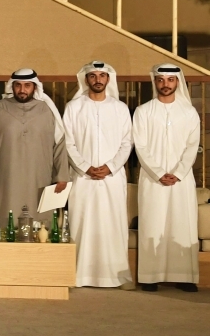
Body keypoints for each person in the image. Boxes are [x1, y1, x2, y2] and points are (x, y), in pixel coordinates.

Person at [63, 61, 134, 289]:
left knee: (113, 225)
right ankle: (79, 275)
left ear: (108, 79)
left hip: (112, 178)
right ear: (86, 79)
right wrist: (85, 166)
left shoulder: (120, 108)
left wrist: (111, 166)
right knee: (82, 224)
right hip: (83, 178)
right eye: (93, 76)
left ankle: (117, 276)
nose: (97, 80)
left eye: (102, 76)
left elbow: (127, 142)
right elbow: (68, 142)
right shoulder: (73, 108)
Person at [132, 64, 200, 292]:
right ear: (155, 82)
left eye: (170, 80)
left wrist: (178, 173)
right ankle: (150, 277)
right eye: (161, 80)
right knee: (153, 224)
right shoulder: (143, 111)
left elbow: (192, 146)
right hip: (153, 179)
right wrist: (159, 173)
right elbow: (140, 146)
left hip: (182, 180)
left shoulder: (189, 112)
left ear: (177, 82)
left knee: (182, 224)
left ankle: (185, 277)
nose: (165, 84)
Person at [0, 68, 69, 231]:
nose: (22, 90)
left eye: (27, 85)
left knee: (39, 224)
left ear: (35, 87)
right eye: (18, 85)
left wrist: (62, 176)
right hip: (4, 178)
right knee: (4, 220)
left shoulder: (47, 110)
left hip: (39, 177)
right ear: (12, 87)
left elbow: (60, 143)